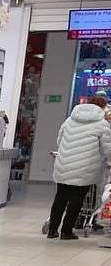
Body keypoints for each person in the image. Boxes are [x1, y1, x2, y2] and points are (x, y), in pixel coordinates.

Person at [48, 95, 111, 240]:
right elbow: (107, 149)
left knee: (60, 198)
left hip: (64, 164)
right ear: (103, 107)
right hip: (85, 167)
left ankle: (52, 230)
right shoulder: (102, 124)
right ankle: (66, 231)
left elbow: (59, 140)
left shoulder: (70, 120)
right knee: (77, 199)